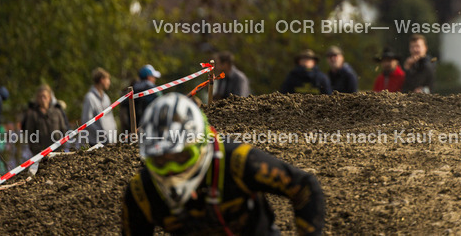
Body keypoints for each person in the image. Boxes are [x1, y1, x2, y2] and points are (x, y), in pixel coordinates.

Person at [121, 93, 325, 235]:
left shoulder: (237, 160)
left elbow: (304, 186)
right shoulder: (141, 192)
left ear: (201, 145)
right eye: (160, 161)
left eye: (181, 156)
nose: (172, 169)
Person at [21, 84, 69, 156]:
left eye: (45, 97)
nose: (43, 99)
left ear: (49, 98)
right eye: (40, 97)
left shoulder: (57, 112)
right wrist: (37, 149)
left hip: (58, 151)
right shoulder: (33, 114)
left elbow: (63, 129)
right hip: (40, 153)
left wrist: (61, 145)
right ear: (37, 98)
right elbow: (30, 134)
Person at [80, 67, 118, 147]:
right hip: (95, 143)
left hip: (109, 141)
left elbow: (110, 118)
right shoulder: (90, 98)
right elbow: (86, 120)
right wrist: (101, 133)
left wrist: (113, 135)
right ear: (102, 80)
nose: (109, 82)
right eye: (108, 79)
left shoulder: (106, 98)